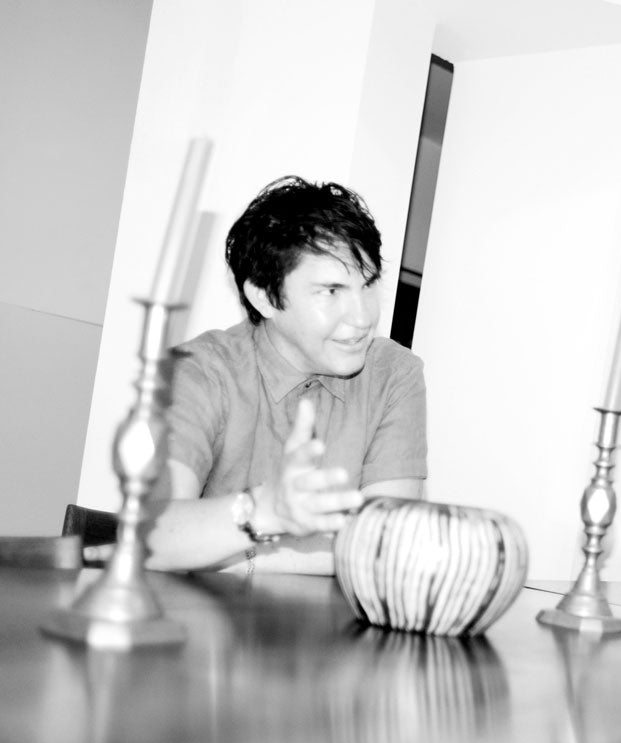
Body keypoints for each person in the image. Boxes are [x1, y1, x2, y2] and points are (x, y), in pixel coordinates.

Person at [103, 176, 426, 574]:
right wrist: (268, 510)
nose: (363, 318)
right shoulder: (197, 371)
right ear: (264, 296)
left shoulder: (395, 373)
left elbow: (391, 549)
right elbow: (151, 537)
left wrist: (238, 557)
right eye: (331, 291)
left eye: (369, 284)